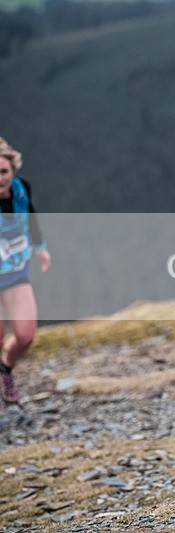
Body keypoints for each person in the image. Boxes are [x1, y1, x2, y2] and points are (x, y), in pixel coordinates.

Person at [0, 137, 50, 413]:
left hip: (15, 273)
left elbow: (31, 216)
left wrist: (41, 247)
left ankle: (5, 369)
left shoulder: (21, 189)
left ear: (12, 171)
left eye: (3, 172)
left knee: (26, 334)